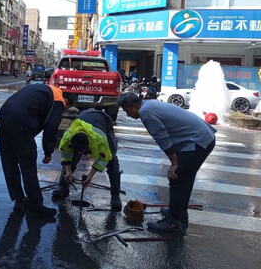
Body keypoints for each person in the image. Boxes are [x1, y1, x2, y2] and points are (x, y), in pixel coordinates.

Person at [118, 93, 216, 235]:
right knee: (185, 179)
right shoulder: (149, 104)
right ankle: (179, 214)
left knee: (177, 178)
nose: (128, 116)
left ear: (135, 106)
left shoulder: (145, 111)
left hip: (197, 141)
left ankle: (172, 223)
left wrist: (174, 163)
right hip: (201, 138)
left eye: (128, 111)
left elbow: (162, 138)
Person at [0, 84, 66, 218]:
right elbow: (51, 128)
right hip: (20, 121)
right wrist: (48, 152)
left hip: (4, 116)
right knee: (28, 163)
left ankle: (19, 200)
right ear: (66, 101)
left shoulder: (43, 90)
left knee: (9, 161)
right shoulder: (58, 100)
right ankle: (36, 207)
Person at [52, 108, 122, 210]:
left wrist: (90, 176)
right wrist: (68, 171)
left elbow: (104, 159)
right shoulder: (67, 136)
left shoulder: (100, 140)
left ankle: (115, 196)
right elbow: (66, 154)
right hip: (84, 116)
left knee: (112, 158)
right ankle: (63, 186)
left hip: (103, 120)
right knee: (73, 157)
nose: (83, 154)